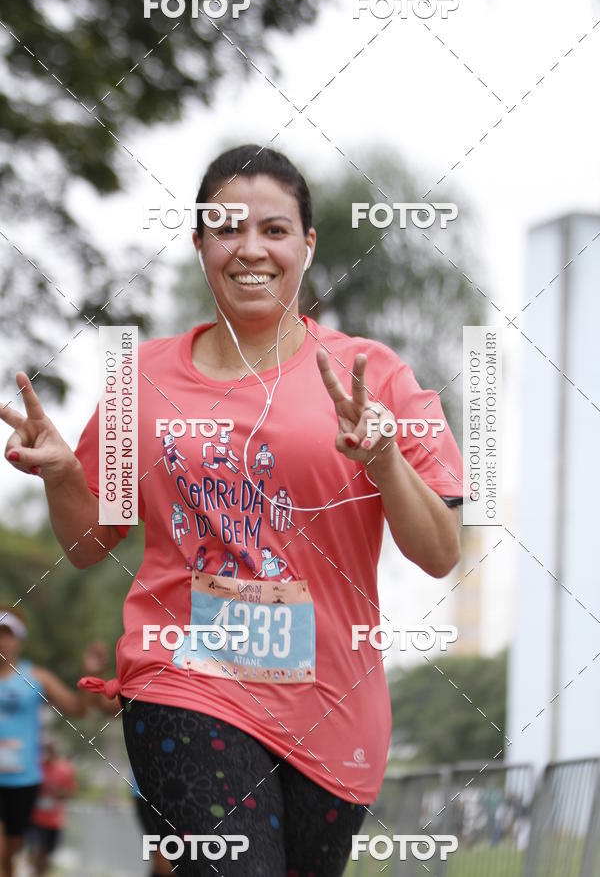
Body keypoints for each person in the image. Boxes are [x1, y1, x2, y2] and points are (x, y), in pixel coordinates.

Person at [1, 145, 463, 875]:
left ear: (307, 245)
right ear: (199, 244)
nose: (252, 249)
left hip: (331, 706)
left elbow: (440, 551)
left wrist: (383, 462)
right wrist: (63, 477)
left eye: (275, 230)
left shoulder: (374, 377)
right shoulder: (142, 381)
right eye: (226, 227)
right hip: (182, 680)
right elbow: (91, 543)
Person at [0, 608, 102, 877]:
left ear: (18, 640)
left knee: (11, 848)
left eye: (7, 635)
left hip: (23, 780)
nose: (2, 641)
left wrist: (89, 675)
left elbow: (78, 709)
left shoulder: (36, 677)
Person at [25, 739, 77, 875]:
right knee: (35, 850)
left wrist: (59, 793)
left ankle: (38, 873)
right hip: (34, 819)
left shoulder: (65, 769)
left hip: (54, 822)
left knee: (46, 857)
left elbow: (70, 792)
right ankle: (33, 867)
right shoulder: (35, 767)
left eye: (50, 750)